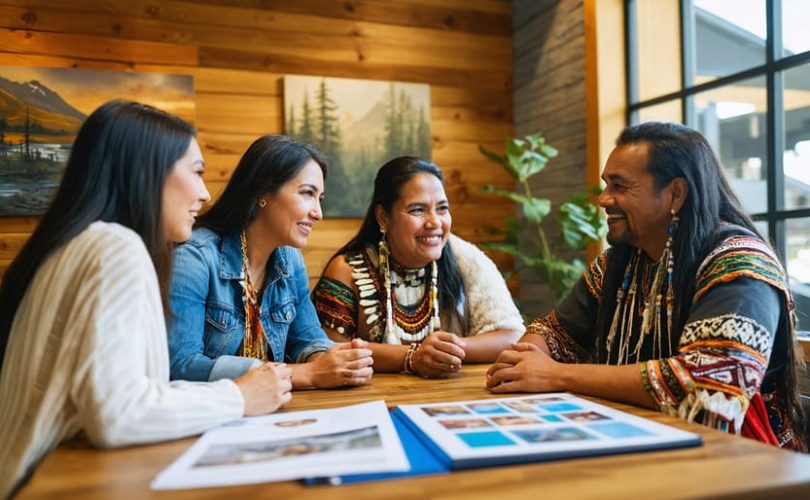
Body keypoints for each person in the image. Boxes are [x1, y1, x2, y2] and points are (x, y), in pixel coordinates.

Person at [0, 101, 292, 497]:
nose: (205, 194)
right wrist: (239, 396)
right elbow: (117, 415)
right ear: (148, 172)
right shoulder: (114, 248)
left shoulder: (74, 245)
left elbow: (117, 395)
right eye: (197, 172)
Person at [486, 122, 807, 451]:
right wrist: (526, 361)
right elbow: (554, 333)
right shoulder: (619, 264)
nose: (603, 199)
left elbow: (707, 386)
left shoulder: (739, 262)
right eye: (606, 184)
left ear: (675, 194)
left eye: (619, 186)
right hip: (638, 437)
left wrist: (557, 376)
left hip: (745, 461)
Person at [168, 135, 373, 388]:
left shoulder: (290, 259)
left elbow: (307, 339)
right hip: (210, 416)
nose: (318, 213)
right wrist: (307, 374)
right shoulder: (194, 258)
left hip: (272, 408)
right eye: (307, 193)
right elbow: (180, 365)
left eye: (319, 198)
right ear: (262, 192)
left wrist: (335, 360)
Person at [313, 156, 525, 377]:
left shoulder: (466, 259)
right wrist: (413, 357)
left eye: (442, 209)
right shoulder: (347, 270)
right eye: (418, 210)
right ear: (383, 217)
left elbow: (513, 335)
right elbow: (327, 349)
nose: (434, 222)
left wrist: (445, 351)